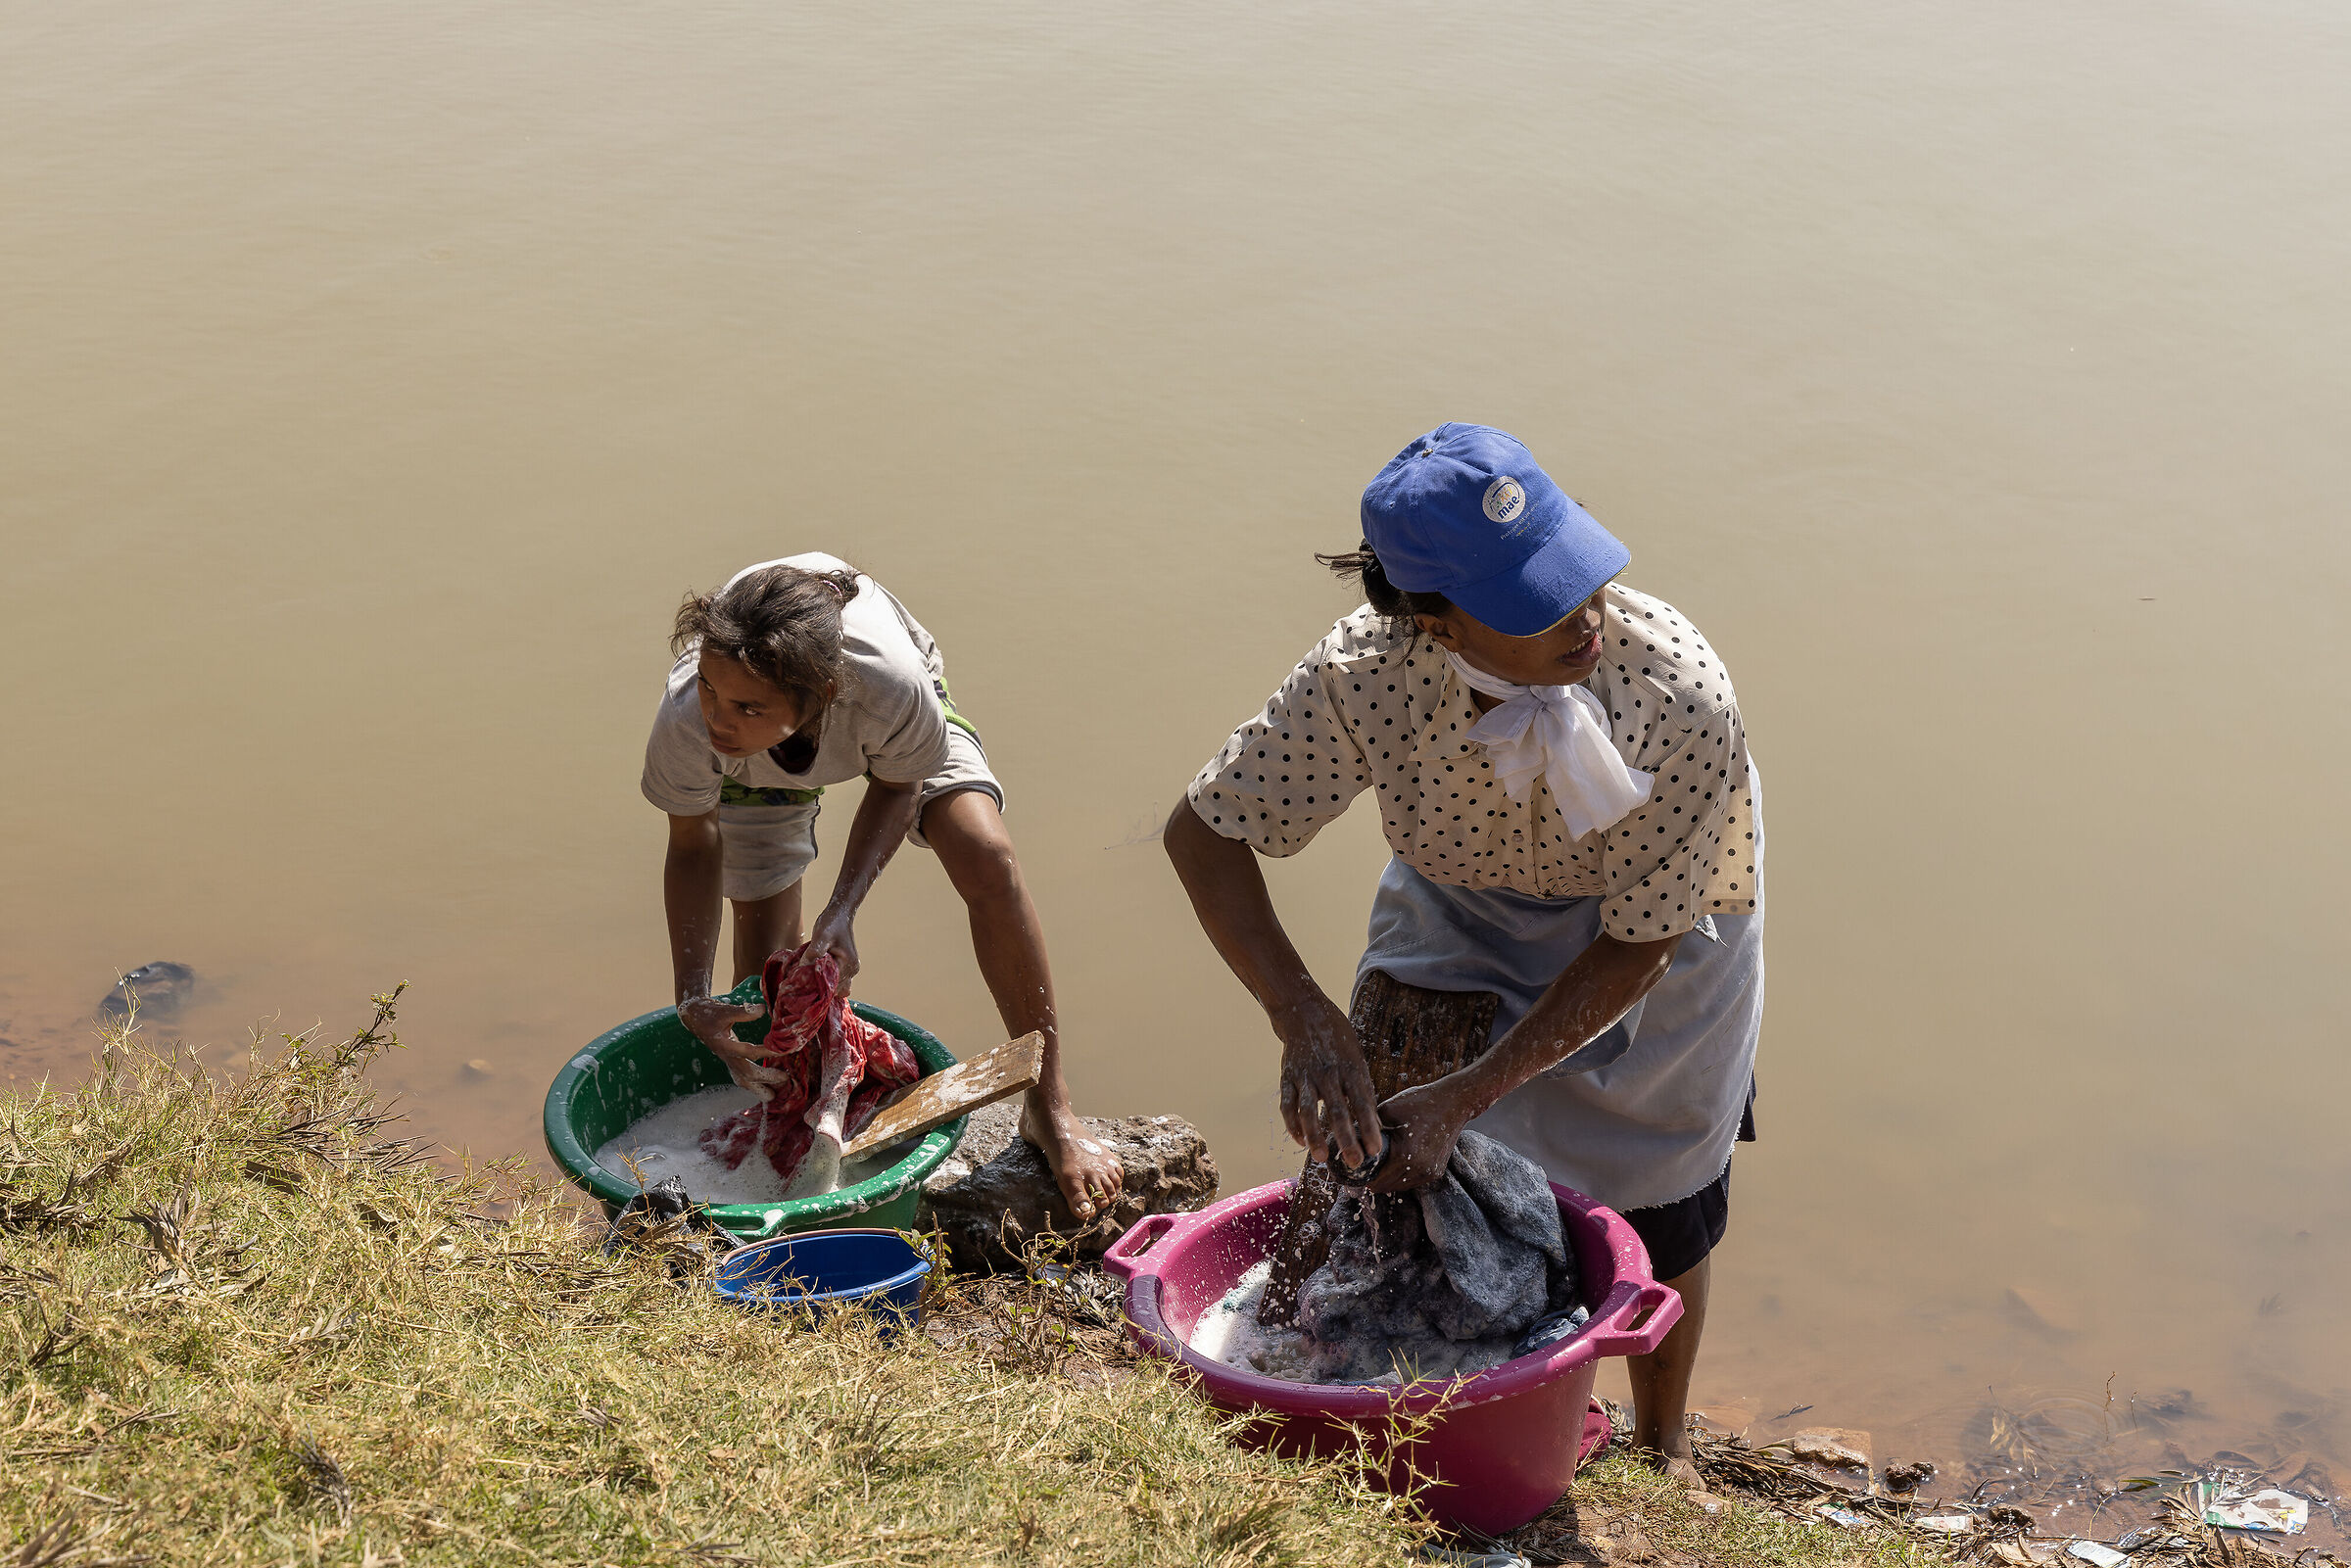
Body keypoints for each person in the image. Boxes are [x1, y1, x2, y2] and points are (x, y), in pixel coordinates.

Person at [1164, 424, 1763, 1489]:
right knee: (1381, 1160)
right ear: (1434, 621)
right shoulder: (1365, 677)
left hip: (1652, 919)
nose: (1584, 616)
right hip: (1463, 901)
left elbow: (1641, 944)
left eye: (1578, 574)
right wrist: (1302, 1015)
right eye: (1536, 600)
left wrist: (1472, 1090)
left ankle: (1665, 1441)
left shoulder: (1676, 691)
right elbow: (1204, 831)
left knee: (1661, 1193)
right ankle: (1343, 1383)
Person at [643, 551, 1123, 1217]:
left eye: (746, 706)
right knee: (766, 983)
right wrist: (690, 992)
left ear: (826, 699)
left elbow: (899, 785)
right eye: (710, 689)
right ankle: (784, 1144)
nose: (720, 719)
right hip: (756, 763)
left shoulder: (887, 686)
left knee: (986, 855)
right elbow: (693, 845)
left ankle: (1050, 1103)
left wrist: (843, 910)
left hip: (891, 728)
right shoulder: (693, 717)